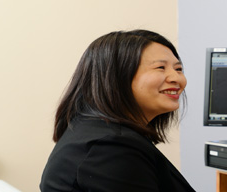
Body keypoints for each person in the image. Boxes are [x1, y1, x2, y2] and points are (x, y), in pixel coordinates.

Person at [40, 29, 195, 192]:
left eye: (178, 69)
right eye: (160, 67)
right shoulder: (110, 149)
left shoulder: (93, 131)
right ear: (117, 76)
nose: (177, 78)